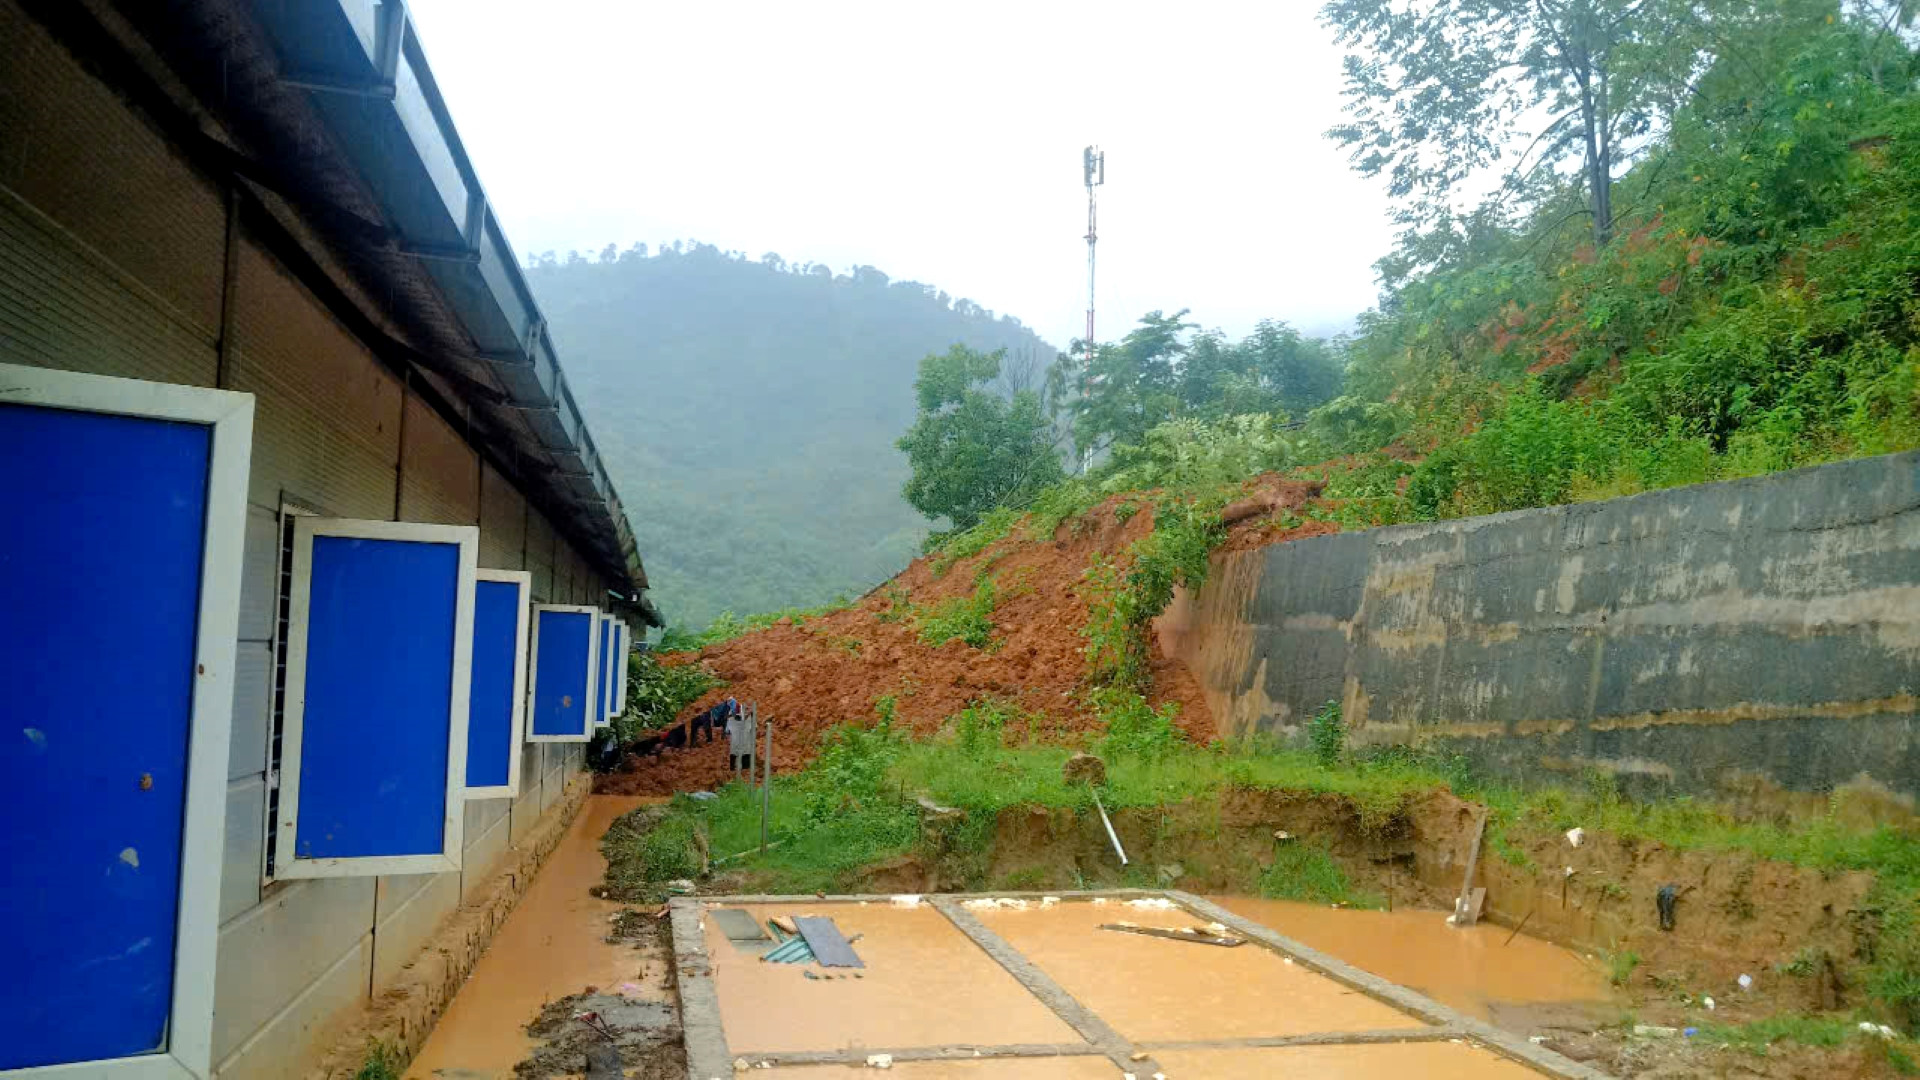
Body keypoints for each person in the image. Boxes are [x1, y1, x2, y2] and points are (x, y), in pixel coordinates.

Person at [725, 699, 754, 776]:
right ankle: (739, 770)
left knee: (738, 751)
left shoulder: (731, 714)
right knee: (743, 751)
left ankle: (738, 770)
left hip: (739, 740)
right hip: (743, 739)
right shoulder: (748, 714)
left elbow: (727, 730)